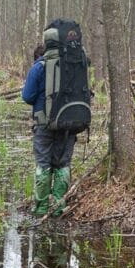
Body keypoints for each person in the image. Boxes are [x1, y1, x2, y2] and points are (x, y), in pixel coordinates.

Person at [22, 34, 77, 218]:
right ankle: (59, 207)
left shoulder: (38, 67)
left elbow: (27, 96)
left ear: (38, 55)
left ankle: (41, 208)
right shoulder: (72, 65)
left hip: (44, 124)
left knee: (43, 164)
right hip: (69, 124)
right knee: (63, 164)